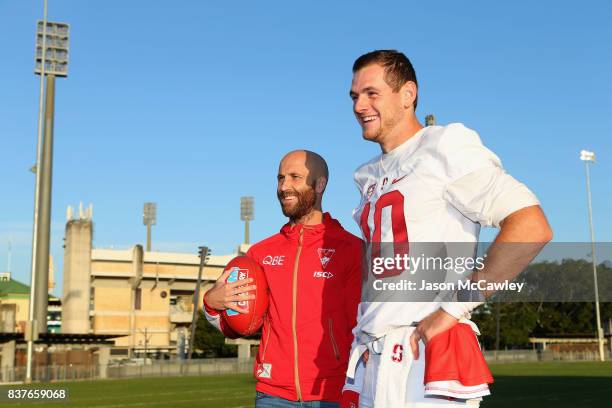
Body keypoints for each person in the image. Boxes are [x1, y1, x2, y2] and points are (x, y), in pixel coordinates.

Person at [342, 50, 553, 407]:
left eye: (371, 93)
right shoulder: (367, 175)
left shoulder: (443, 145)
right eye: (354, 96)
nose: (359, 105)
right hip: (373, 357)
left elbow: (531, 225)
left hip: (422, 355)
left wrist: (455, 308)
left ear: (408, 94)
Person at [204, 150, 363, 407]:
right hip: (273, 394)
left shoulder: (352, 249)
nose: (283, 186)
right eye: (280, 178)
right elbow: (236, 327)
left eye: (294, 177)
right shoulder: (260, 253)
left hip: (333, 392)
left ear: (320, 184)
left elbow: (365, 325)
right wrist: (212, 303)